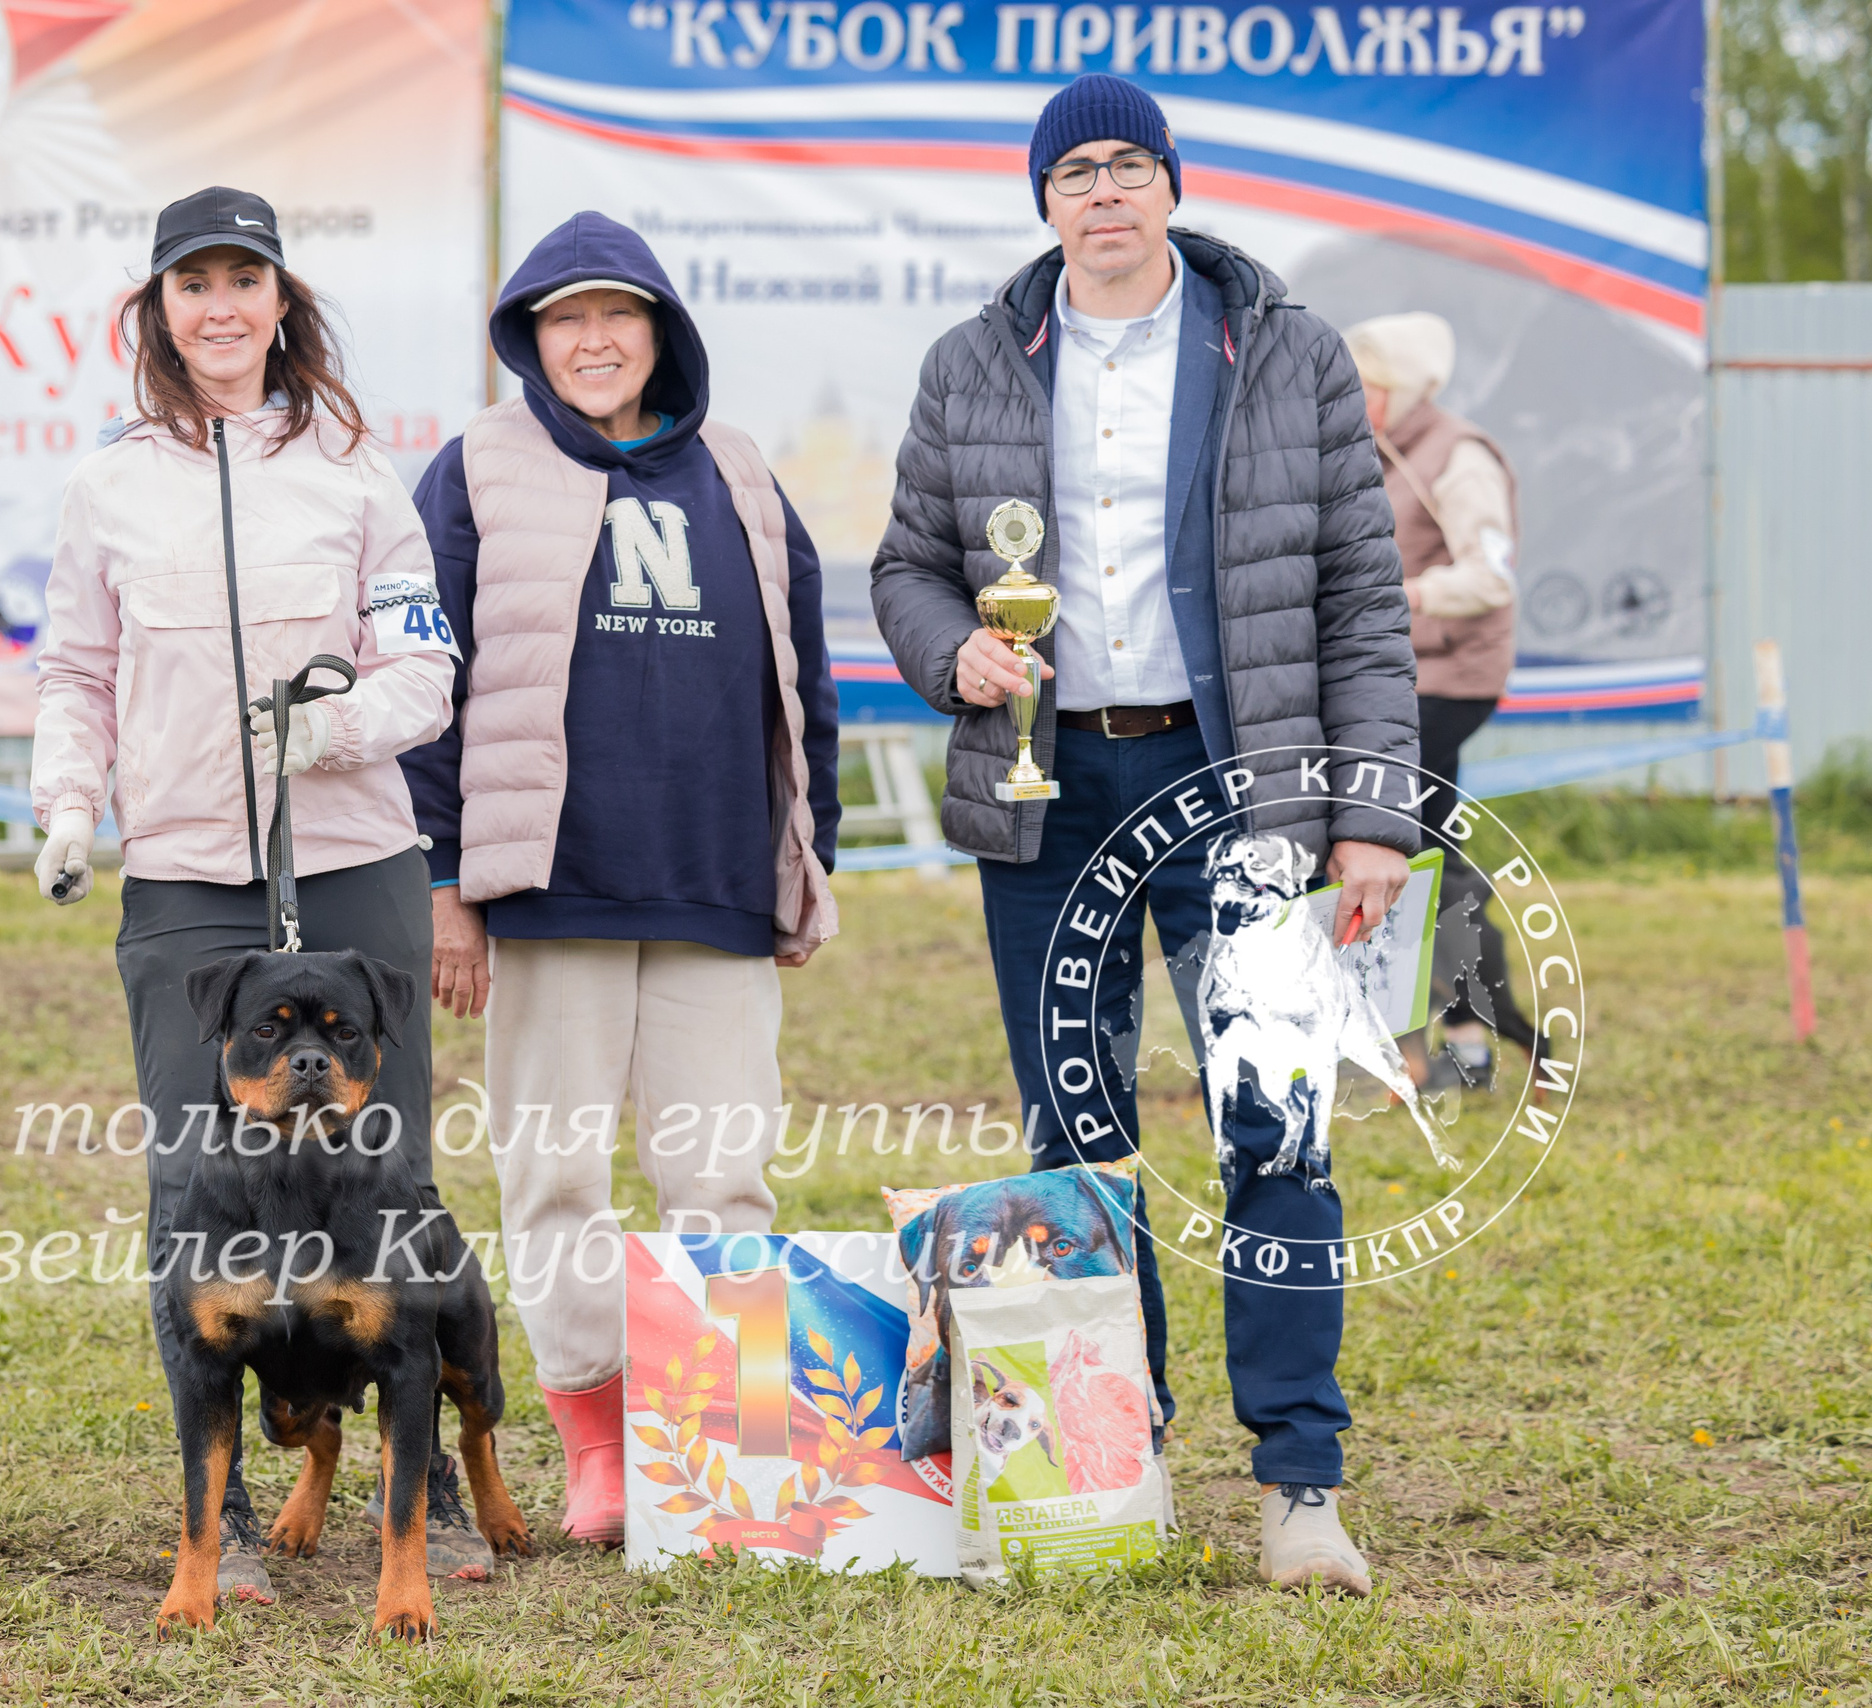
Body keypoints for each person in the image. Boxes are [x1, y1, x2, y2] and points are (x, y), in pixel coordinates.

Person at [870, 73, 1420, 1596]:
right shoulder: (973, 361)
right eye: (1074, 173)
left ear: (1172, 182)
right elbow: (909, 566)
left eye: (1128, 166)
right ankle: (1124, 1452)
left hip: (1237, 793)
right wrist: (954, 658)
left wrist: (1371, 815)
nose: (1103, 194)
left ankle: (1300, 1480)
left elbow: (1364, 602)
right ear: (1041, 200)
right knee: (1079, 1132)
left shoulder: (1287, 352)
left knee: (1279, 1130)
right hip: (1047, 794)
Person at [28, 186, 487, 1600]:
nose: (220, 308)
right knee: (193, 1182)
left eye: (245, 281)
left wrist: (336, 732)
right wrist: (64, 802)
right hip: (182, 877)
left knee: (386, 1169)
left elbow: (424, 663)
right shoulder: (108, 482)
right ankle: (218, 1525)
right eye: (192, 286)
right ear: (157, 311)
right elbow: (75, 673)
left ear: (283, 301)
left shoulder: (357, 468)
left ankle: (435, 1499)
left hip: (352, 866)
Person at [400, 211, 842, 1546]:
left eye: (620, 314)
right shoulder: (476, 469)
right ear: (531, 340)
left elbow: (802, 683)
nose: (594, 340)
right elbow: (434, 683)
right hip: (551, 885)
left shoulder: (745, 474)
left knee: (724, 1175)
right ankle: (600, 1448)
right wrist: (444, 879)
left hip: (711, 882)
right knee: (557, 1177)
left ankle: (744, 1449)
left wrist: (805, 860)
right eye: (564, 318)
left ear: (663, 331)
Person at [1341, 312, 1541, 1090]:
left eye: (1364, 387)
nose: (1347, 400)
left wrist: (1393, 593)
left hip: (1441, 686)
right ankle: (1459, 1042)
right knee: (1426, 860)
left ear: (1401, 389)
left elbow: (1490, 578)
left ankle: (1462, 1041)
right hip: (1398, 680)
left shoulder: (1457, 458)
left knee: (1418, 866)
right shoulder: (1386, 448)